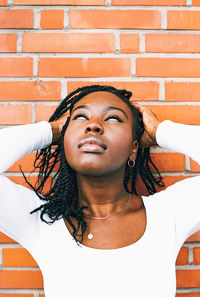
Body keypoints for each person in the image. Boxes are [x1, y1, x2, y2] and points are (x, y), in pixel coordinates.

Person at [0, 84, 199, 297]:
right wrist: (53, 130)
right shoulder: (42, 219)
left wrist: (160, 131)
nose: (93, 126)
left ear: (134, 148)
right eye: (80, 118)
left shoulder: (168, 214)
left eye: (113, 118)